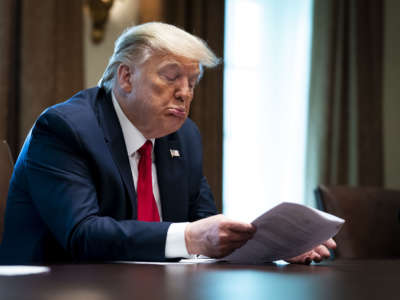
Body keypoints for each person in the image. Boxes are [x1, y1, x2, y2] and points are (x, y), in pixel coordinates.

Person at [0, 22, 335, 264]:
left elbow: (204, 223)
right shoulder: (64, 128)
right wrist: (190, 237)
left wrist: (272, 247)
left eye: (192, 82)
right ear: (126, 77)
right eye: (171, 77)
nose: (185, 93)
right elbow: (82, 235)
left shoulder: (184, 136)